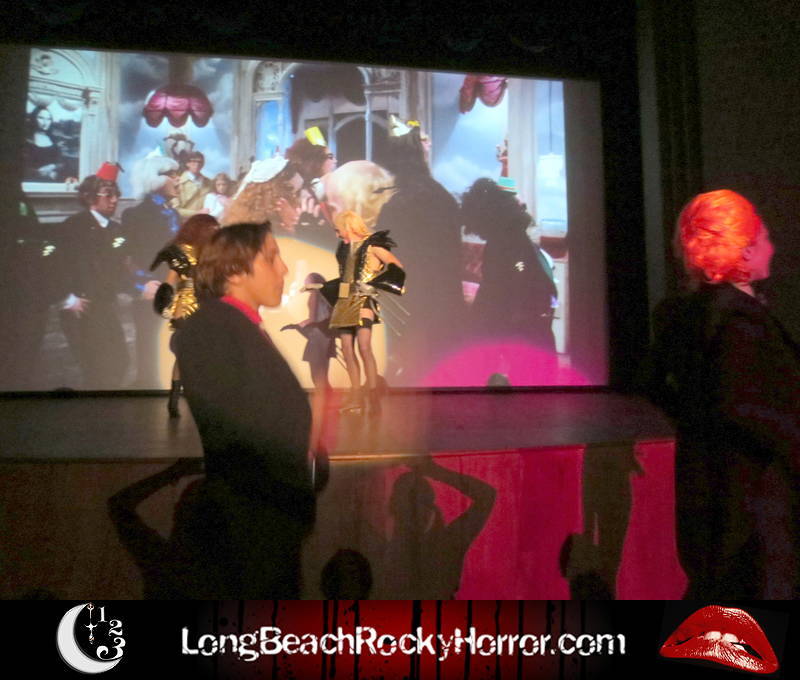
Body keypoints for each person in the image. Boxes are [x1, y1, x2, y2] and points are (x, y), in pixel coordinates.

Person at [642, 189, 800, 598]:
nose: (772, 247)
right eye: (764, 238)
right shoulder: (736, 319)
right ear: (743, 251)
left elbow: (654, 385)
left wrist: (694, 421)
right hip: (753, 497)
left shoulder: (681, 313)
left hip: (705, 485)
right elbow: (739, 405)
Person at [174, 222, 315, 597]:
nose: (283, 268)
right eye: (271, 258)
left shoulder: (237, 327)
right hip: (250, 530)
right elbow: (237, 430)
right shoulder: (213, 328)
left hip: (267, 525)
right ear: (234, 271)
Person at [375, 117, 465, 383]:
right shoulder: (442, 196)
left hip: (412, 311)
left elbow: (385, 264)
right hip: (444, 306)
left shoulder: (397, 204)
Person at [55, 163, 134, 388]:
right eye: (108, 194)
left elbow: (121, 270)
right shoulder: (73, 227)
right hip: (81, 306)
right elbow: (56, 266)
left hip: (105, 304)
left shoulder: (116, 229)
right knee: (96, 368)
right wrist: (67, 298)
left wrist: (140, 288)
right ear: (90, 197)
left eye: (116, 194)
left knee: (120, 361)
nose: (115, 200)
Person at [460, 177, 558, 351]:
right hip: (531, 329)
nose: (478, 233)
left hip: (521, 333)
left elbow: (513, 274)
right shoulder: (514, 237)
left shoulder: (504, 243)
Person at [322, 210, 405, 415]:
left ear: (347, 226)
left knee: (364, 347)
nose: (337, 234)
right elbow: (346, 277)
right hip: (344, 301)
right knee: (347, 349)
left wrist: (374, 285)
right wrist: (324, 287)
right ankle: (356, 396)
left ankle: (373, 395)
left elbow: (396, 266)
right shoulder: (343, 248)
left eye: (338, 229)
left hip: (363, 300)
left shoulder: (372, 246)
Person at [150, 213, 220, 416]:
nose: (215, 232)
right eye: (211, 229)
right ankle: (174, 401)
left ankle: (200, 399)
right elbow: (169, 281)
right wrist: (165, 305)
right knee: (184, 356)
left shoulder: (213, 251)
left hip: (207, 305)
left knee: (205, 355)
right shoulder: (182, 251)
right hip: (186, 307)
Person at [121, 155, 181, 387]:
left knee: (171, 348)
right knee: (149, 350)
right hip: (151, 294)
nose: (178, 179)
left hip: (176, 292)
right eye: (172, 175)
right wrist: (141, 286)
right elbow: (126, 259)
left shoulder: (173, 214)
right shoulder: (135, 215)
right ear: (154, 179)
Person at [23, 105, 65, 182]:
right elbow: (21, 166)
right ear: (34, 118)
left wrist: (53, 167)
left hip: (52, 183)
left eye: (48, 119)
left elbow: (61, 164)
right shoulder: (27, 140)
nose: (45, 122)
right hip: (31, 183)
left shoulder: (55, 140)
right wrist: (38, 173)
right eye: (41, 118)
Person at [173, 150, 213, 220]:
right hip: (185, 223)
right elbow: (175, 210)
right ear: (187, 163)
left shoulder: (209, 183)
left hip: (204, 222)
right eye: (193, 161)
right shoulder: (178, 183)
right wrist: (197, 213)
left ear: (203, 164)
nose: (197, 164)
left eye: (200, 162)